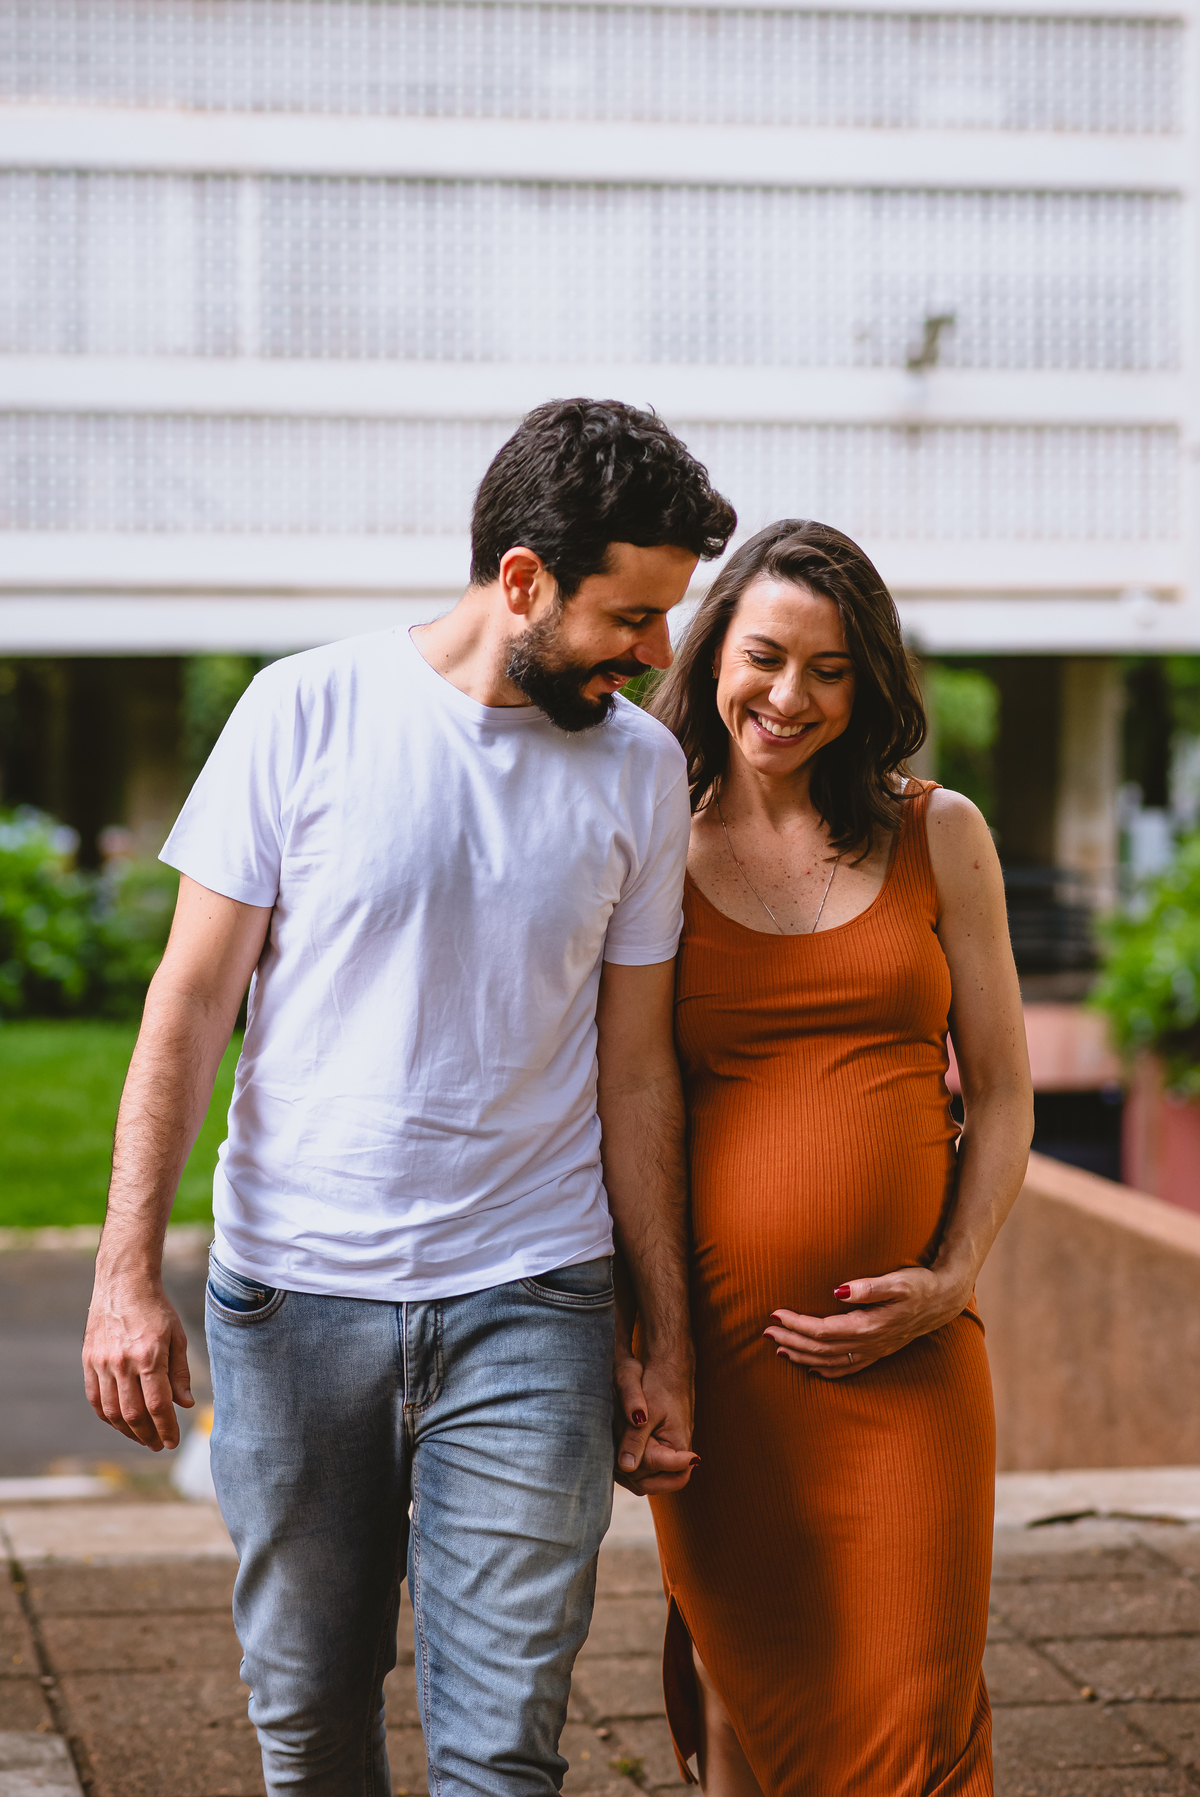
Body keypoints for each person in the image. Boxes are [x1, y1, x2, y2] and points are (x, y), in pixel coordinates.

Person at [81, 399, 736, 1797]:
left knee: (504, 1749)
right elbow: (188, 1008)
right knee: (311, 1729)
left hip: (532, 1299)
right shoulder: (305, 710)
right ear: (522, 581)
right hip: (293, 1299)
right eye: (630, 618)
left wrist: (663, 1336)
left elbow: (637, 1073)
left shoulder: (640, 769)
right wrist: (124, 1269)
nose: (658, 654)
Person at [632, 518, 1034, 1796]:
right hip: (727, 1371)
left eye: (830, 669)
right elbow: (629, 1103)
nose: (789, 696)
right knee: (745, 1688)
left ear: (870, 687)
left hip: (911, 1360)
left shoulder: (939, 833)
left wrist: (951, 1280)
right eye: (763, 657)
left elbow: (1010, 1095)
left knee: (920, 1708)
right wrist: (656, 1350)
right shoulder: (653, 847)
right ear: (710, 664)